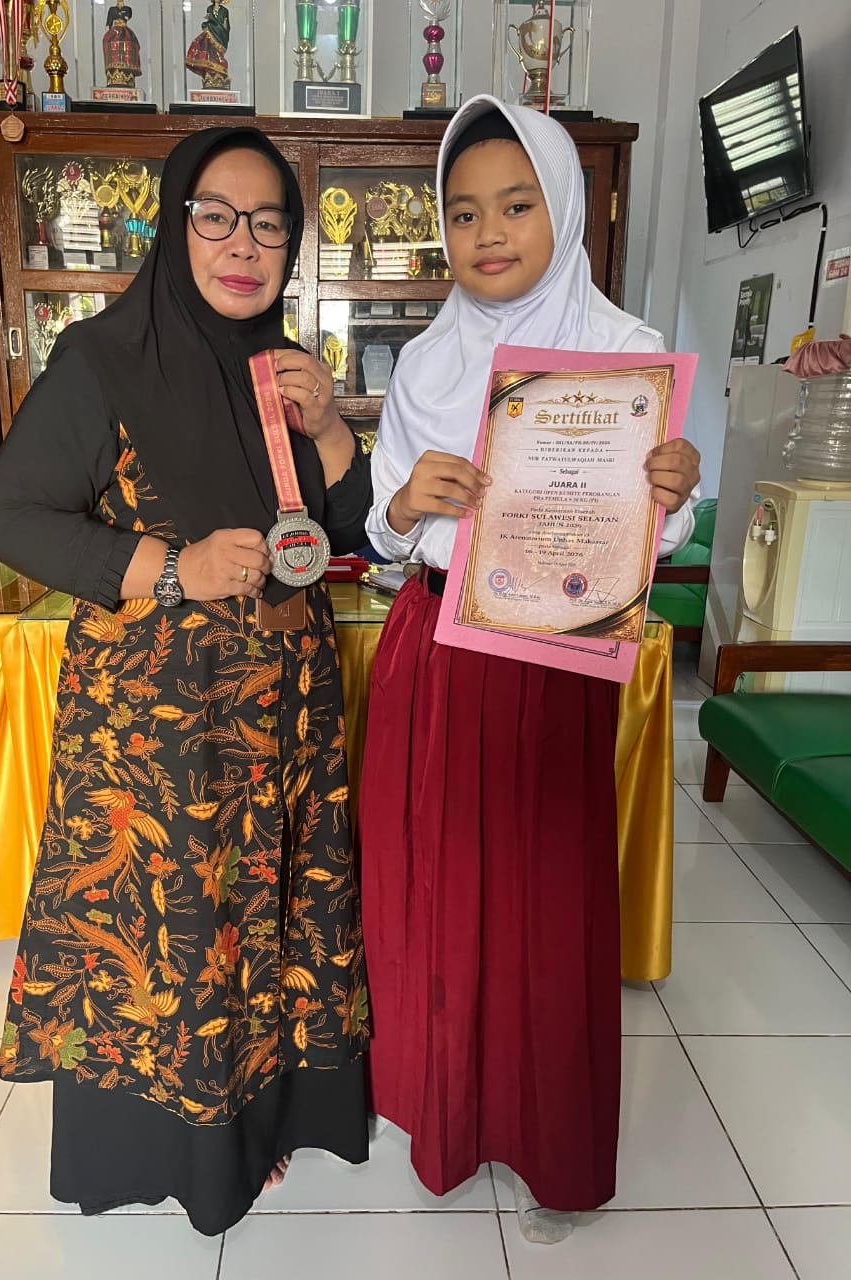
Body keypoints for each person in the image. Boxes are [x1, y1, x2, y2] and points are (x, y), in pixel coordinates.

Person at [0, 126, 372, 1236]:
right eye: (216, 217)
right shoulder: (103, 360)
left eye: (270, 224)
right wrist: (168, 568)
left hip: (283, 709)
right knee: (171, 925)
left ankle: (263, 1121)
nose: (244, 245)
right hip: (158, 729)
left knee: (270, 913)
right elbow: (10, 516)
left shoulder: (282, 369)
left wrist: (332, 426)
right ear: (173, 224)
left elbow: (345, 530)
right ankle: (167, 1148)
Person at [360, 96, 701, 1245]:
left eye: (515, 205)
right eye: (462, 213)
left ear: (563, 206)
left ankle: (551, 1142)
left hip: (550, 661)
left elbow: (651, 533)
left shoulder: (622, 349)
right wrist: (405, 504)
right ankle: (446, 1117)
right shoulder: (424, 359)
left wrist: (671, 487)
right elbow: (385, 531)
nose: (488, 232)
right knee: (440, 894)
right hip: (435, 656)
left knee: (546, 902)